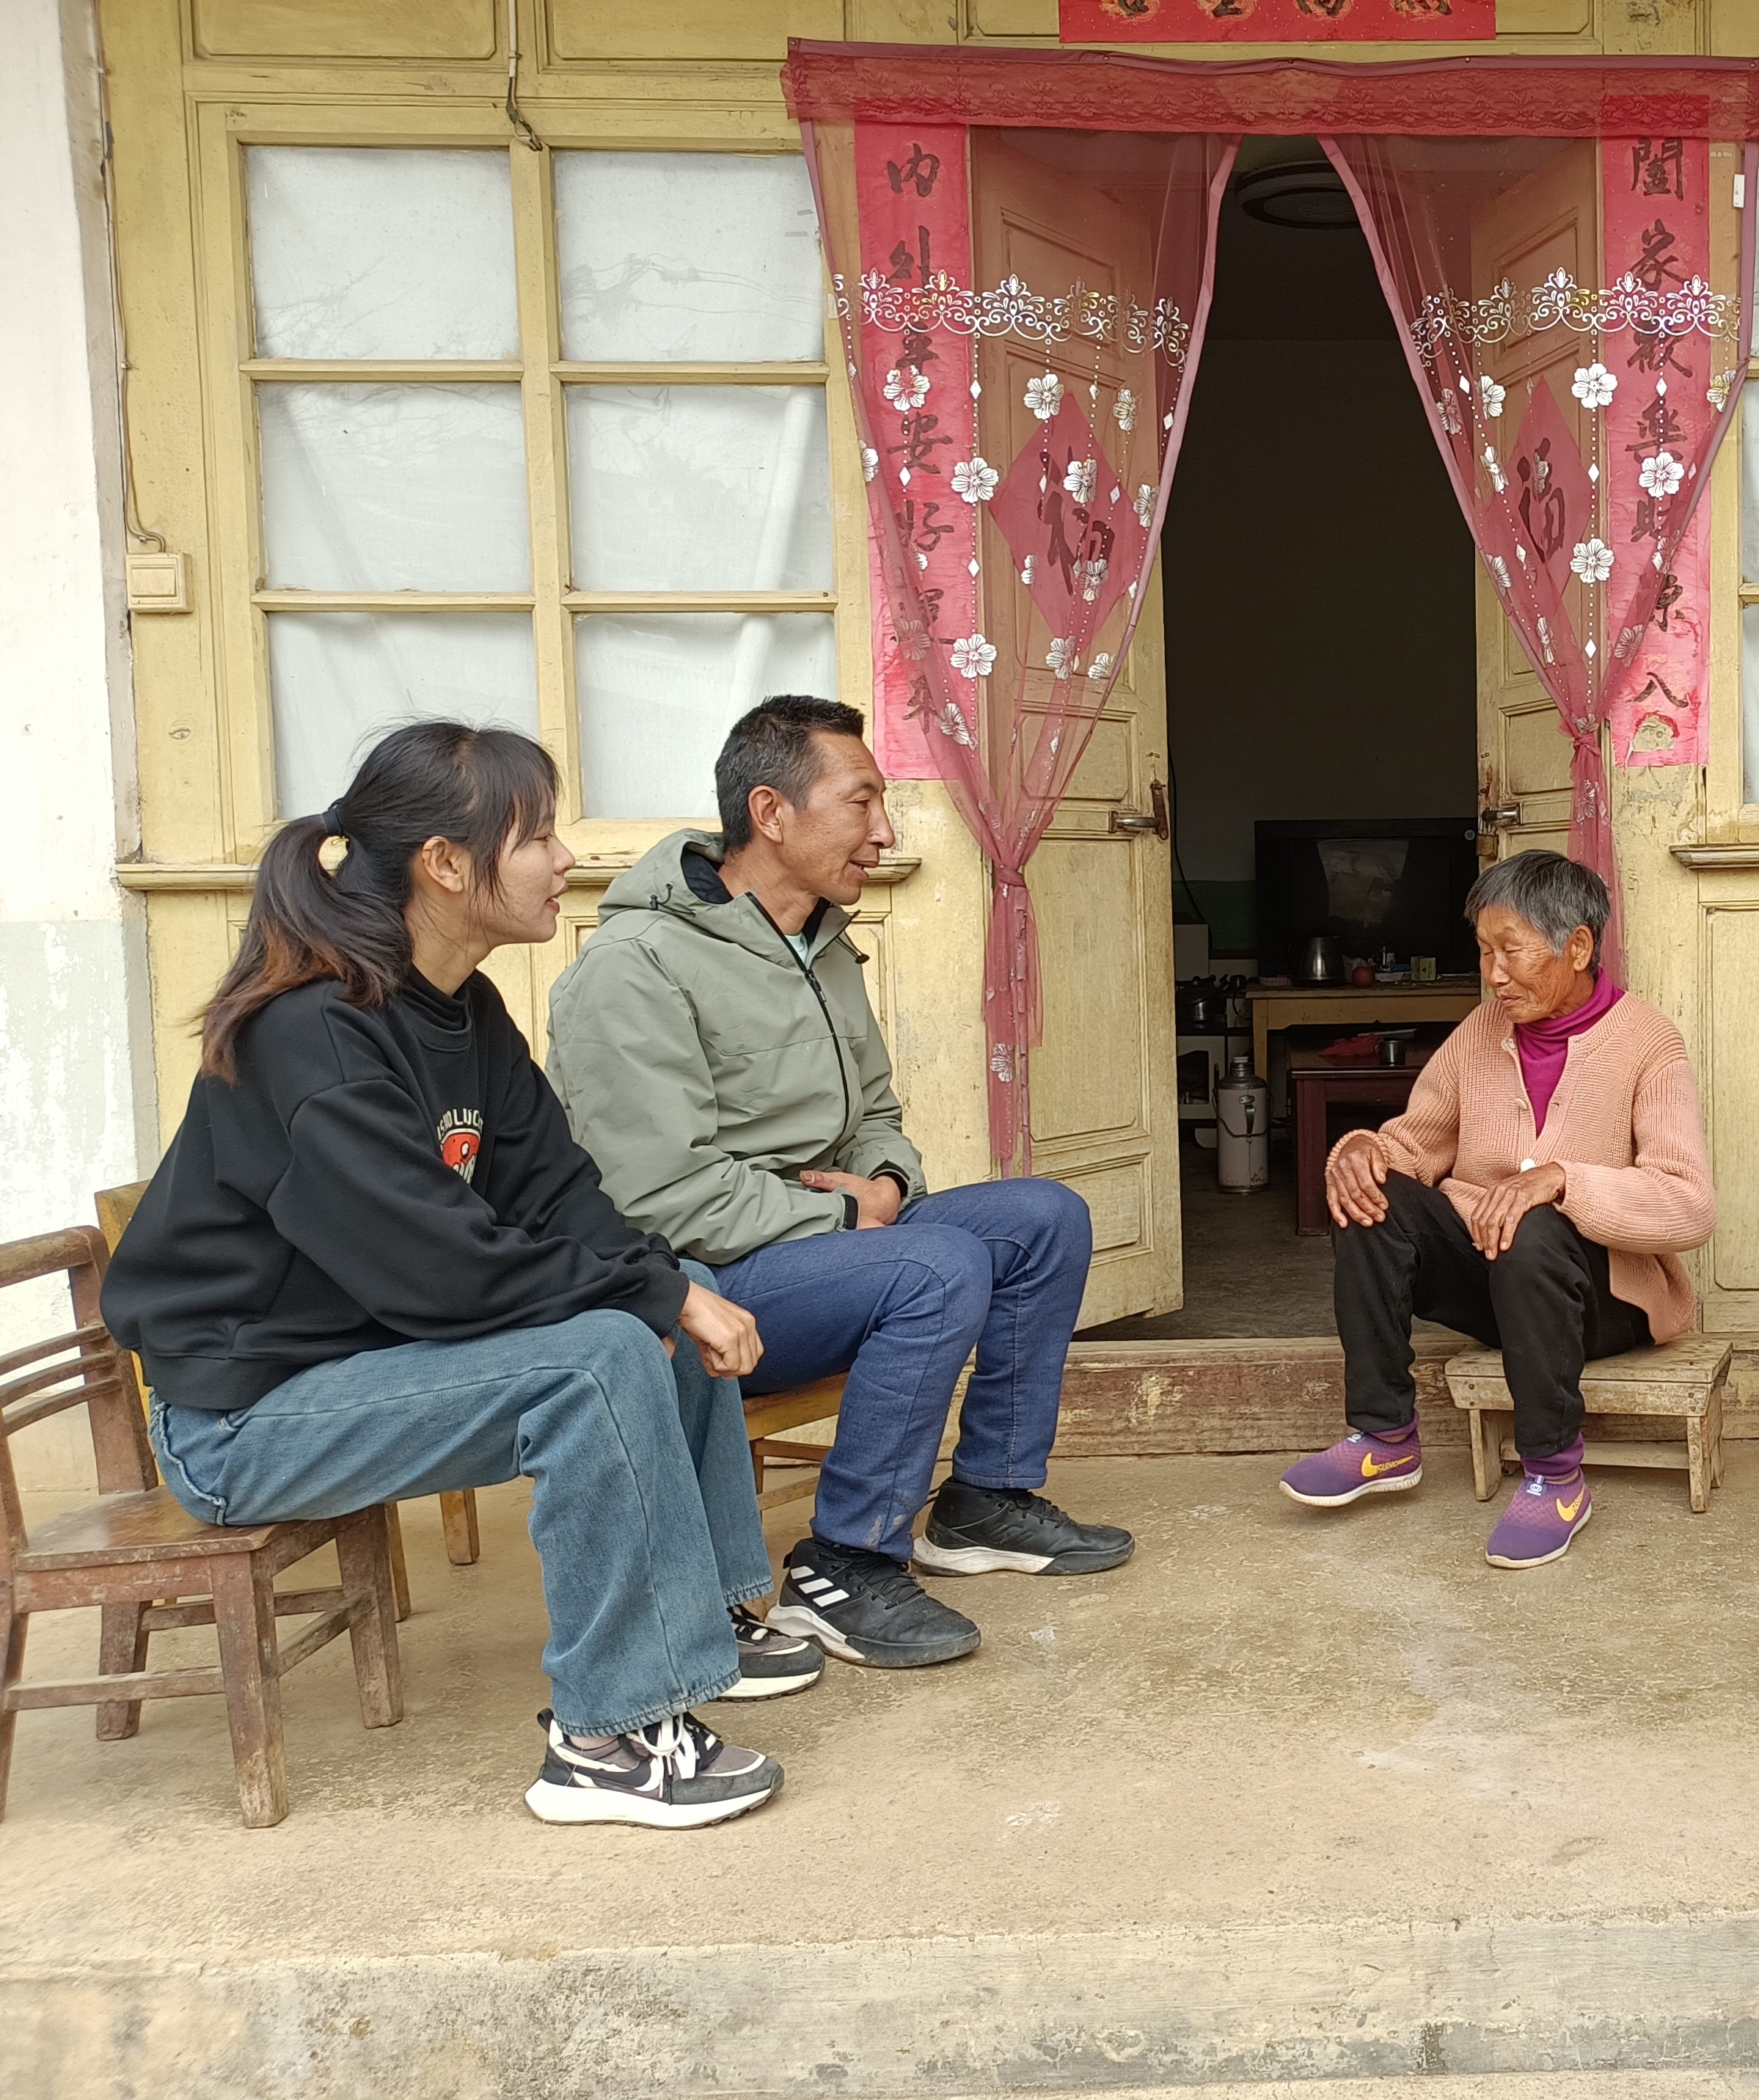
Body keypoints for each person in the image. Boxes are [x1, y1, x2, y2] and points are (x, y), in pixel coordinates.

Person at [103, 722, 817, 1829]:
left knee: (664, 1288)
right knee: (599, 1355)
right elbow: (443, 1274)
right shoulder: (312, 1033)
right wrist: (650, 1297)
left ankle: (707, 1616)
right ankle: (609, 1738)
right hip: (246, 1420)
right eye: (538, 837)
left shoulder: (463, 1010)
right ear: (445, 863)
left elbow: (560, 1194)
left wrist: (669, 1286)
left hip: (365, 1365)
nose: (567, 858)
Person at [546, 696, 1123, 1674]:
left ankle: (984, 1501)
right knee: (936, 1267)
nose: (885, 831)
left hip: (831, 1240)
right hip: (712, 1284)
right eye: (861, 803)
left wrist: (887, 1181)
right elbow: (654, 1195)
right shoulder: (635, 966)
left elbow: (876, 1113)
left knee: (1044, 1216)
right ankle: (843, 1564)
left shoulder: (821, 942)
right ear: (771, 812)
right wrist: (844, 1212)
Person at [1280, 850, 1714, 1570]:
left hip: (1603, 1301)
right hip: (1495, 1280)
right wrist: (1361, 1151)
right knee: (1372, 1197)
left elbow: (1689, 1205)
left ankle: (1555, 1477)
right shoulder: (1478, 1034)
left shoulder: (1648, 1044)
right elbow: (1413, 1146)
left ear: (1578, 946)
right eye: (1484, 952)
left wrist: (1561, 1182)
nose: (1494, 974)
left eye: (1511, 951)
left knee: (1534, 1221)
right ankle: (1385, 1438)